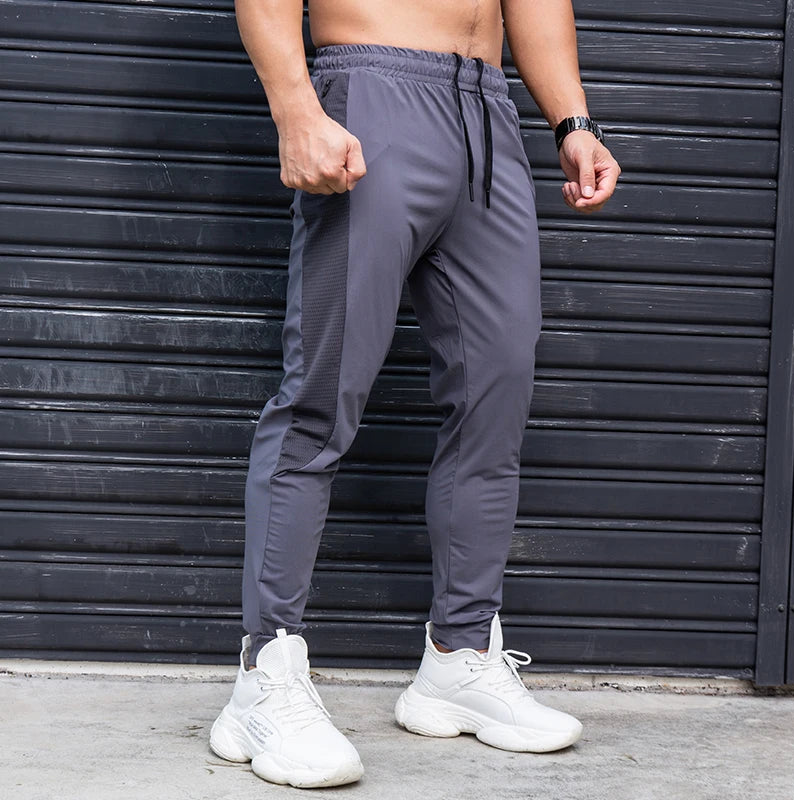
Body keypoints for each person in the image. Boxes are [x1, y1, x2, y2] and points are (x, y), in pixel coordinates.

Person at [209, 0, 621, 789]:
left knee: (495, 397)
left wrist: (571, 122)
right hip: (371, 93)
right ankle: (264, 675)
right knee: (321, 401)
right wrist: (295, 108)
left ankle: (458, 657)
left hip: (489, 117)